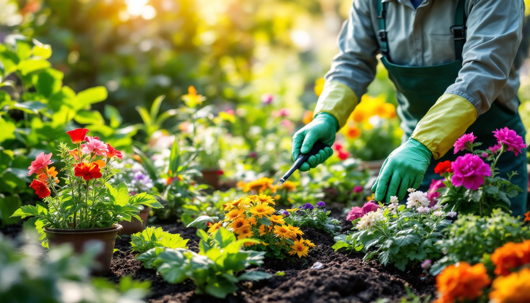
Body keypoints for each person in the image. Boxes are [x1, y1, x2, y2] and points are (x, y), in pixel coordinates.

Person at [291, 0, 528, 217]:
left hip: (492, 157)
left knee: (491, 250)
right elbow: (351, 62)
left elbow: (481, 74)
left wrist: (422, 145)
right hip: (412, 162)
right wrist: (327, 116)